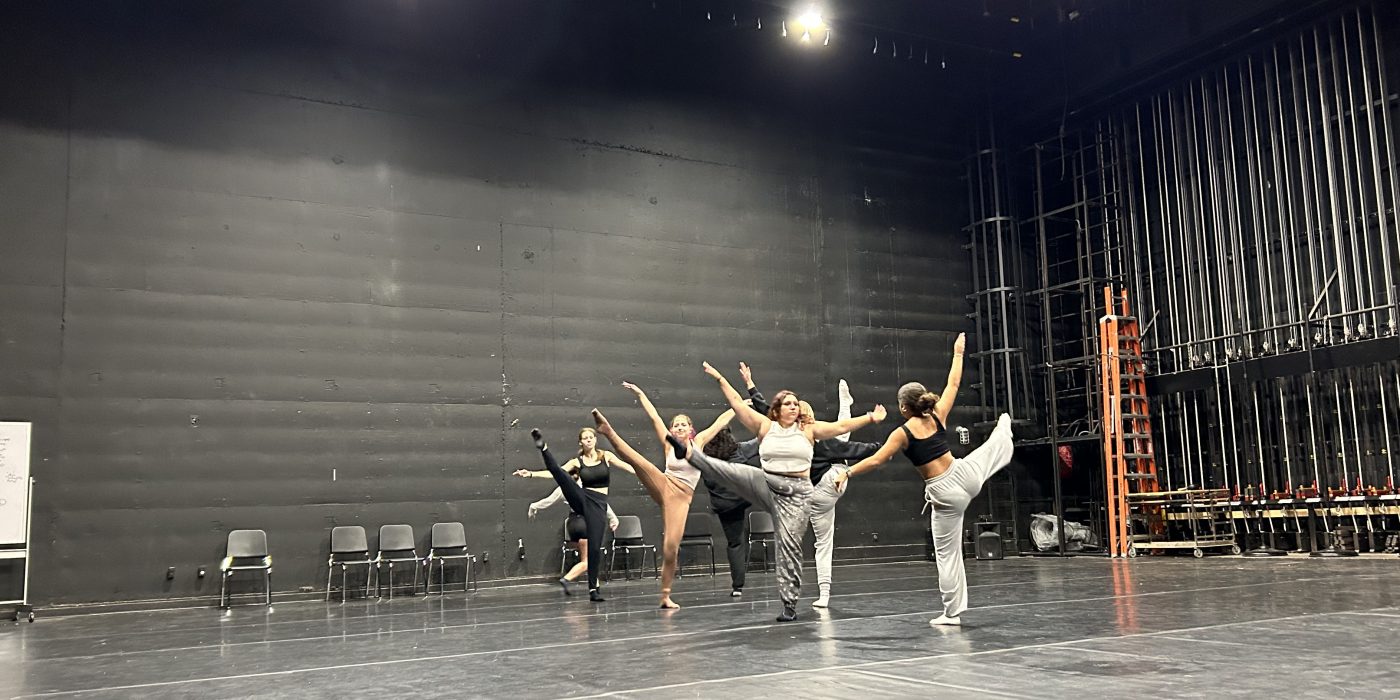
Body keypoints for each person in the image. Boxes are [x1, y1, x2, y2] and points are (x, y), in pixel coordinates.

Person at [833, 333, 1015, 627]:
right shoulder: (938, 414)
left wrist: (848, 471)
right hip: (964, 476)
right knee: (987, 453)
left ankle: (951, 614)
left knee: (948, 555)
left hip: (944, 493)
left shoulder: (902, 433)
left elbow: (878, 459)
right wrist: (958, 353)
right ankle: (1003, 434)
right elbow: (953, 383)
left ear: (904, 407)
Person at [685, 362, 884, 622]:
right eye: (788, 403)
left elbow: (840, 429)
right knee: (733, 472)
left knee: (788, 547)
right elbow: (737, 403)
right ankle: (689, 453)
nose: (794, 406)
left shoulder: (809, 430)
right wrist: (720, 378)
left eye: (796, 403)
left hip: (797, 494)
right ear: (777, 409)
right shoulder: (766, 427)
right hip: (769, 484)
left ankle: (789, 604)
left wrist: (870, 418)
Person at [596, 382, 726, 609]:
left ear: (690, 428)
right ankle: (609, 432)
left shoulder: (700, 443)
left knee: (670, 547)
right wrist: (641, 393)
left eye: (683, 425)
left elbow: (720, 423)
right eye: (675, 425)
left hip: (681, 498)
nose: (678, 428)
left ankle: (665, 595)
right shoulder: (669, 443)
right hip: (664, 484)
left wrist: (739, 406)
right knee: (639, 462)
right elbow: (655, 417)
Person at [515, 427, 632, 602]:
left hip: (598, 506)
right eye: (585, 438)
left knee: (594, 550)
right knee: (563, 477)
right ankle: (543, 447)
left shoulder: (606, 456)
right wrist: (531, 474)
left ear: (595, 439)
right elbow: (554, 473)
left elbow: (628, 466)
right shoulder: (577, 461)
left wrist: (649, 472)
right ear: (581, 442)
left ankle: (594, 590)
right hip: (583, 498)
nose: (589, 440)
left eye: (591, 437)